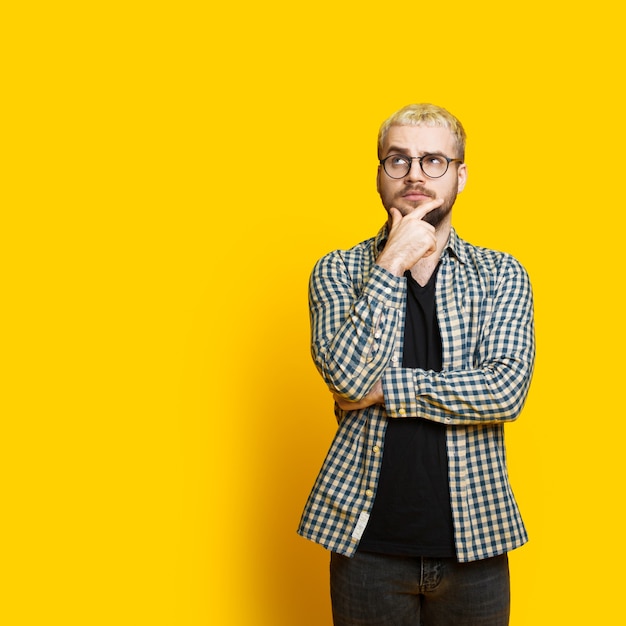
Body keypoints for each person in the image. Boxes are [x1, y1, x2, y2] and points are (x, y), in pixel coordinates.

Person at [297, 103, 535, 625]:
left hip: (476, 539)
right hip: (366, 545)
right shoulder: (338, 270)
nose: (415, 176)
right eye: (398, 160)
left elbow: (505, 391)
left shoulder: (500, 275)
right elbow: (344, 377)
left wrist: (385, 389)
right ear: (379, 173)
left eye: (433, 161)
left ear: (460, 174)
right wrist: (391, 263)